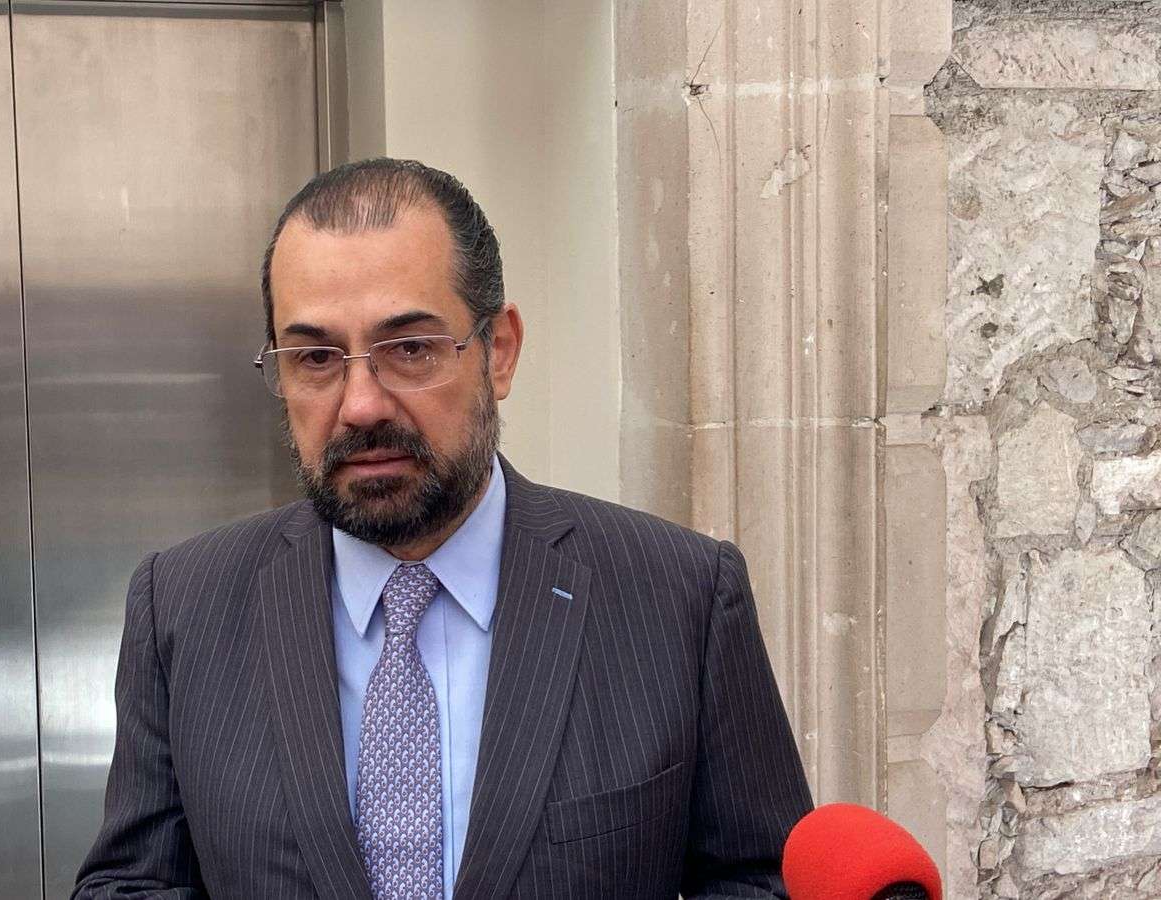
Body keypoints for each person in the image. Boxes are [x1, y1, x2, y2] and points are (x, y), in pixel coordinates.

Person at [72, 158, 813, 899]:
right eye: (316, 358)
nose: (361, 405)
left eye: (410, 349)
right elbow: (132, 883)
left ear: (500, 351)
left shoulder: (679, 597)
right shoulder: (184, 605)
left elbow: (760, 881)